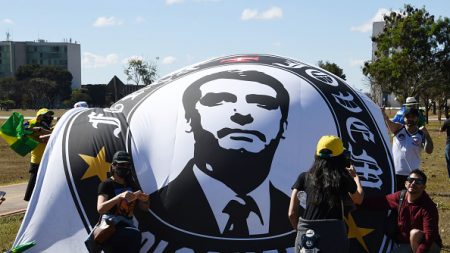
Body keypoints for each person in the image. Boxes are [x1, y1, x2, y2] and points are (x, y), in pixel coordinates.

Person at [137, 70, 292, 241]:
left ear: (283, 126)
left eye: (262, 103)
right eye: (218, 101)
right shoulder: (156, 209)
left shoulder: (297, 212)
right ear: (189, 119)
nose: (242, 115)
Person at [288, 135, 364, 253]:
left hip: (307, 235)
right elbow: (358, 199)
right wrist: (355, 177)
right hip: (334, 236)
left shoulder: (303, 177)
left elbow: (291, 213)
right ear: (340, 157)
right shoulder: (343, 178)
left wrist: (302, 232)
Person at [360, 169, 442, 253]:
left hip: (429, 245)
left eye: (418, 182)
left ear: (423, 187)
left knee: (415, 233)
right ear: (406, 183)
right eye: (411, 180)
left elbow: (430, 236)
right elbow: (380, 202)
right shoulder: (400, 197)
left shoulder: (428, 207)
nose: (413, 183)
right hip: (406, 243)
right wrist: (358, 202)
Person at [96, 151, 149, 253]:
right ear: (114, 165)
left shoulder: (131, 185)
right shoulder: (106, 184)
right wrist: (119, 196)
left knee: (134, 236)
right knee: (135, 235)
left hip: (128, 225)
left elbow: (145, 208)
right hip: (110, 229)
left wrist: (145, 201)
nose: (124, 167)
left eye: (127, 165)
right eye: (121, 164)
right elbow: (100, 208)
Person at [382, 107, 433, 191]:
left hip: (412, 175)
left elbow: (429, 151)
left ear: (417, 118)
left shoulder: (421, 134)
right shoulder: (398, 128)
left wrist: (427, 135)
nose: (410, 119)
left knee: (408, 199)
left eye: (413, 117)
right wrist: (384, 114)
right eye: (407, 117)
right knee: (394, 199)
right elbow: (389, 122)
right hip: (395, 172)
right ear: (404, 118)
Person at [23, 108, 54, 201]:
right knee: (33, 180)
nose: (49, 117)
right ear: (39, 116)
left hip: (47, 158)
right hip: (37, 158)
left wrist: (43, 131)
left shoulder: (46, 126)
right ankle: (29, 199)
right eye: (46, 115)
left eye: (49, 115)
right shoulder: (33, 122)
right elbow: (22, 127)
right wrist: (34, 129)